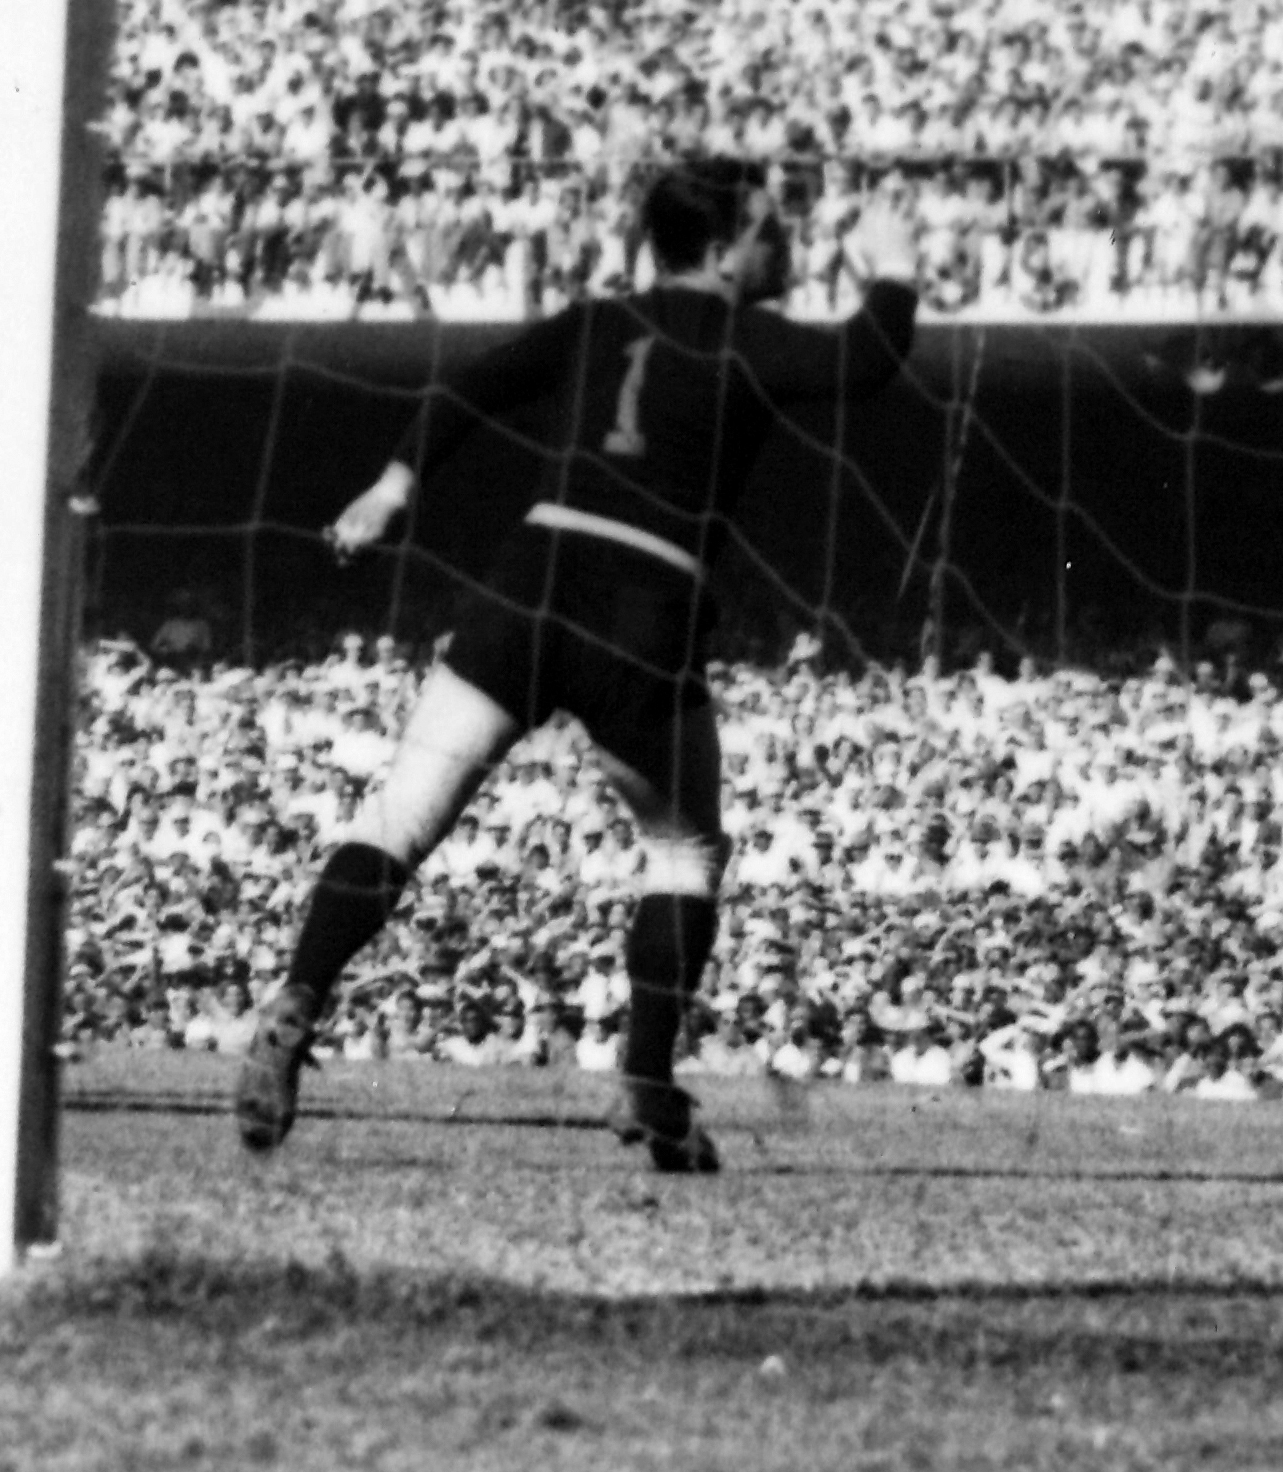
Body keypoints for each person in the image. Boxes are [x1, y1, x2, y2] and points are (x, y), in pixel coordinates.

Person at [243, 157, 919, 1172]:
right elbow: (866, 360)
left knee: (399, 818)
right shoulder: (747, 339)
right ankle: (646, 1078)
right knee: (683, 852)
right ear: (727, 242)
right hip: (644, 603)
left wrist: (392, 489)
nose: (783, 246)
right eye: (771, 229)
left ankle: (296, 997)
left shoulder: (599, 322)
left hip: (528, 578)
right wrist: (895, 272)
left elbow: (475, 385)